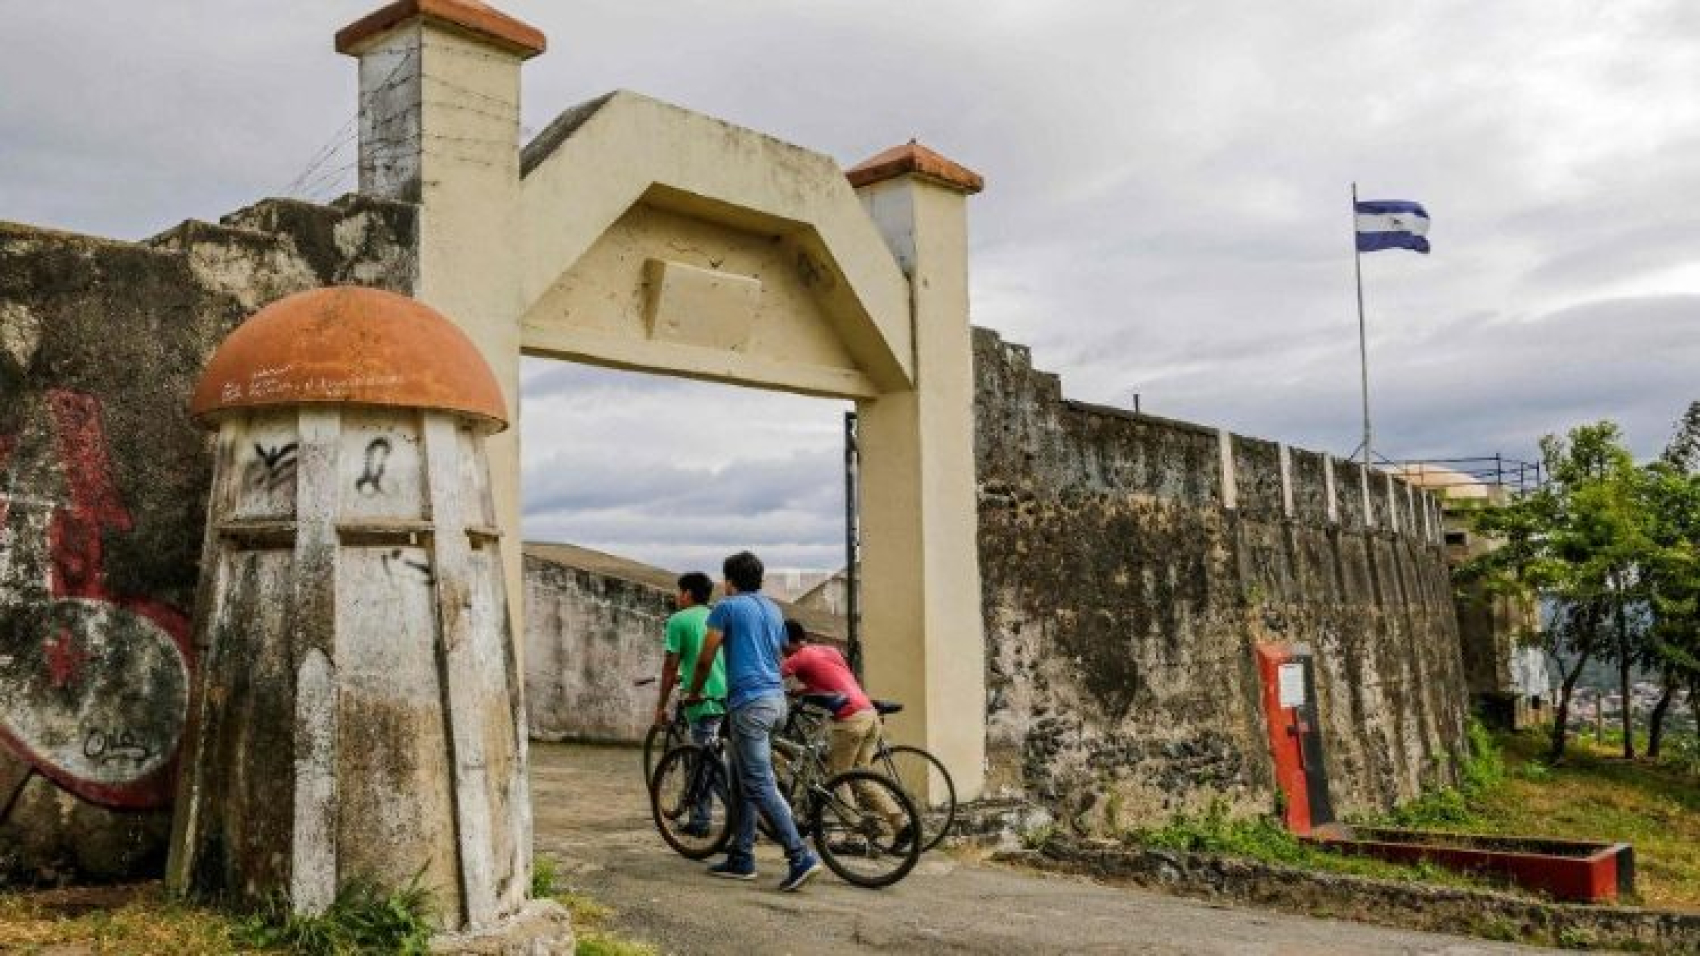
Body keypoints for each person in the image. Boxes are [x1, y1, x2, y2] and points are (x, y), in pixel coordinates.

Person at [684, 550, 824, 891]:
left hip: (751, 706)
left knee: (759, 782)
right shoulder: (773, 609)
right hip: (776, 701)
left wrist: (694, 691)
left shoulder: (726, 608)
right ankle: (741, 856)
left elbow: (706, 657)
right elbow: (774, 652)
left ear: (729, 581)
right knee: (740, 780)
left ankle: (799, 855)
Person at [781, 620, 912, 849]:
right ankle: (900, 822)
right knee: (861, 776)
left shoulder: (798, 657)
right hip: (869, 714)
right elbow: (836, 681)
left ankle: (855, 835)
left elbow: (770, 678)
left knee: (836, 775)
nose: (780, 650)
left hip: (849, 719)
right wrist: (801, 690)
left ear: (786, 640)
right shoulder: (829, 650)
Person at [652, 571, 725, 836]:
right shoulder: (717, 616)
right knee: (709, 762)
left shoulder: (678, 620)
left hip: (701, 699)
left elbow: (670, 666)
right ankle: (702, 818)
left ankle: (714, 821)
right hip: (726, 697)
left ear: (687, 594)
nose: (676, 597)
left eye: (678, 592)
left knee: (706, 765)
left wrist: (661, 704)